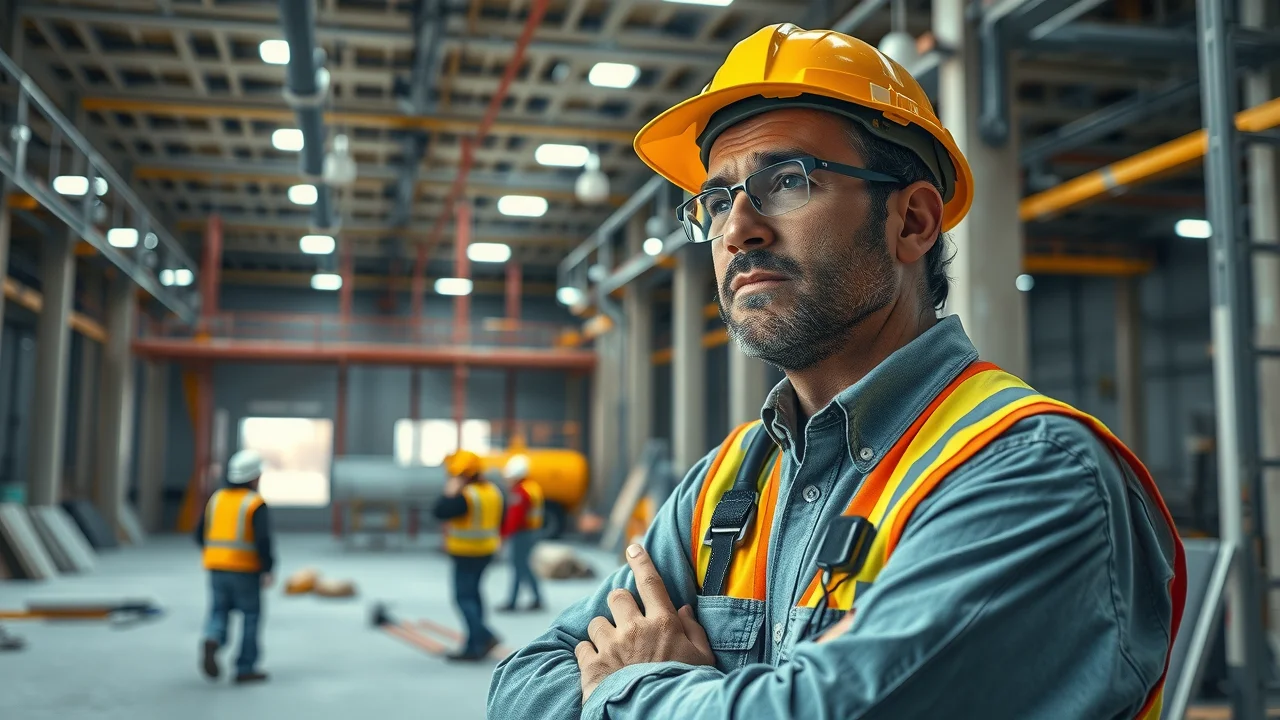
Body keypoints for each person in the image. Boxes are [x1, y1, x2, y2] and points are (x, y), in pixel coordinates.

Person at [489, 23, 1185, 719]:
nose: (736, 230)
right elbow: (524, 681)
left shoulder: (1031, 471)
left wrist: (629, 688)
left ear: (911, 221)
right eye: (714, 201)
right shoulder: (725, 484)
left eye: (788, 181)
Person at [194, 449, 275, 684]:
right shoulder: (254, 503)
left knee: (218, 610)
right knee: (250, 615)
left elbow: (200, 535)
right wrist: (267, 568)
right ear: (253, 477)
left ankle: (212, 638)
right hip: (245, 570)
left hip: (216, 567)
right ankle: (245, 668)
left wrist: (216, 554)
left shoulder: (216, 499)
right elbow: (263, 541)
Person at [434, 449, 504, 661]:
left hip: (465, 553)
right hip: (486, 551)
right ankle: (478, 641)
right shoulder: (492, 491)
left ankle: (479, 641)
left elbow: (440, 511)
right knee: (474, 595)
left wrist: (449, 493)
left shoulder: (465, 496)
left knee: (463, 598)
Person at [498, 454, 544, 612]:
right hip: (532, 532)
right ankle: (536, 598)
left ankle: (512, 602)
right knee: (523, 566)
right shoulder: (532, 487)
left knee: (518, 567)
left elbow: (514, 518)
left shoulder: (520, 492)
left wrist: (503, 535)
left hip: (522, 534)